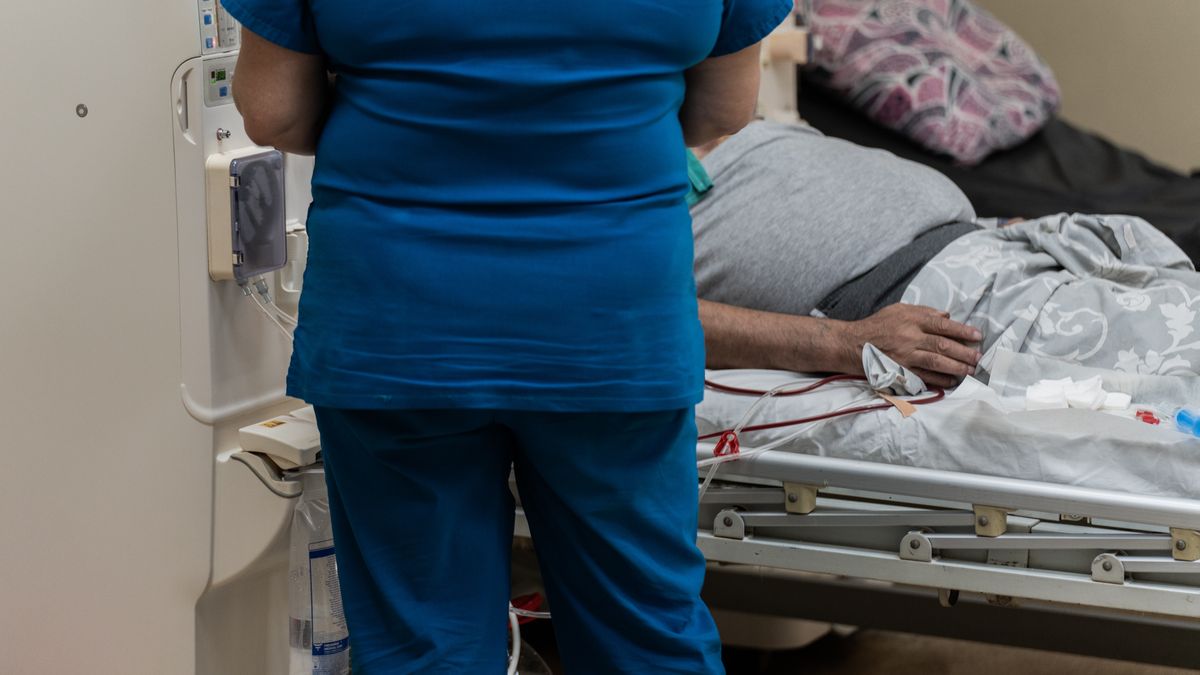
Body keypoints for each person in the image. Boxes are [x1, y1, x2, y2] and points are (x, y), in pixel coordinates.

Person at [225, 0, 793, 673]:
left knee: (425, 645)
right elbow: (724, 110)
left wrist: (419, 113)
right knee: (645, 634)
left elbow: (273, 111)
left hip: (402, 321)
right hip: (608, 323)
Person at [690, 120, 986, 388]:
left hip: (985, 242)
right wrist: (850, 344)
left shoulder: (707, 116)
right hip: (895, 301)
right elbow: (651, 321)